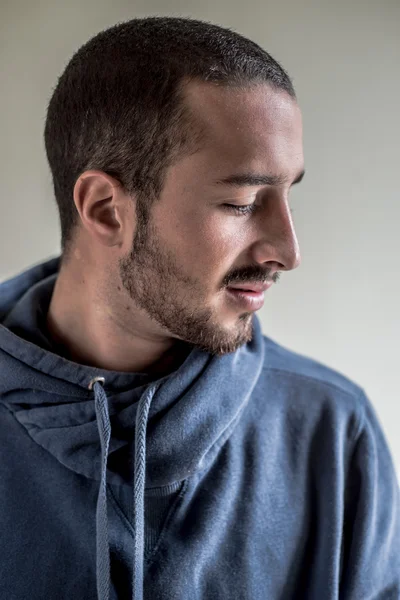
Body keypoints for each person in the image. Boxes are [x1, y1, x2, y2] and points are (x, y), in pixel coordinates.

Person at [0, 15, 399, 600]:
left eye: (287, 195)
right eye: (241, 202)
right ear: (107, 209)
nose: (287, 251)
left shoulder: (333, 436)